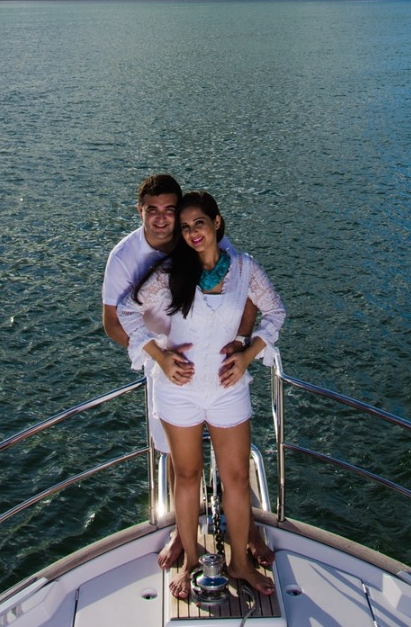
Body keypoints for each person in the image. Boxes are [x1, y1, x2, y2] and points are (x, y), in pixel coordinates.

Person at [118, 191, 285, 599]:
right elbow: (126, 310)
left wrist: (247, 353)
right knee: (188, 475)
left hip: (229, 390)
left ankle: (240, 562)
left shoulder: (244, 269)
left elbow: (276, 311)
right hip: (181, 393)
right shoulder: (170, 273)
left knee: (236, 479)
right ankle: (191, 559)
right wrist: (160, 356)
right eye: (185, 227)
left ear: (217, 223)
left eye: (199, 223)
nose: (193, 233)